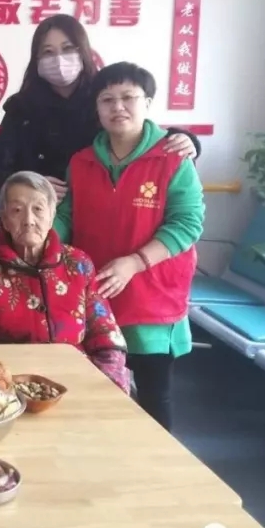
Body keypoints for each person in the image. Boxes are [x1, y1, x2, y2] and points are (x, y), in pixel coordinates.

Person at [54, 62, 205, 431]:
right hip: (96, 294)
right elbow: (67, 217)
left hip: (151, 296)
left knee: (154, 396)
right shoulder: (82, 161)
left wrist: (136, 262)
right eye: (107, 99)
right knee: (95, 391)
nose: (117, 106)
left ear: (147, 102)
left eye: (128, 97)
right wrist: (40, 241)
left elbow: (187, 223)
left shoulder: (173, 158)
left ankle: (157, 465)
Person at [0, 14, 199, 201]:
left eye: (67, 49)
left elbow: (139, 132)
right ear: (36, 59)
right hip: (37, 213)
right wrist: (29, 185)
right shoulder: (21, 107)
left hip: (100, 207)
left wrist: (185, 139)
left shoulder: (104, 96)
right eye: (48, 52)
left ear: (83, 52)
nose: (58, 59)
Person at [0, 171, 129, 391]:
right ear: (4, 219)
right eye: (17, 210)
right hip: (9, 384)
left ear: (52, 215)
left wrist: (107, 386)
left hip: (77, 381)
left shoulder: (78, 264)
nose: (29, 220)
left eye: (38, 209)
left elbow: (105, 334)